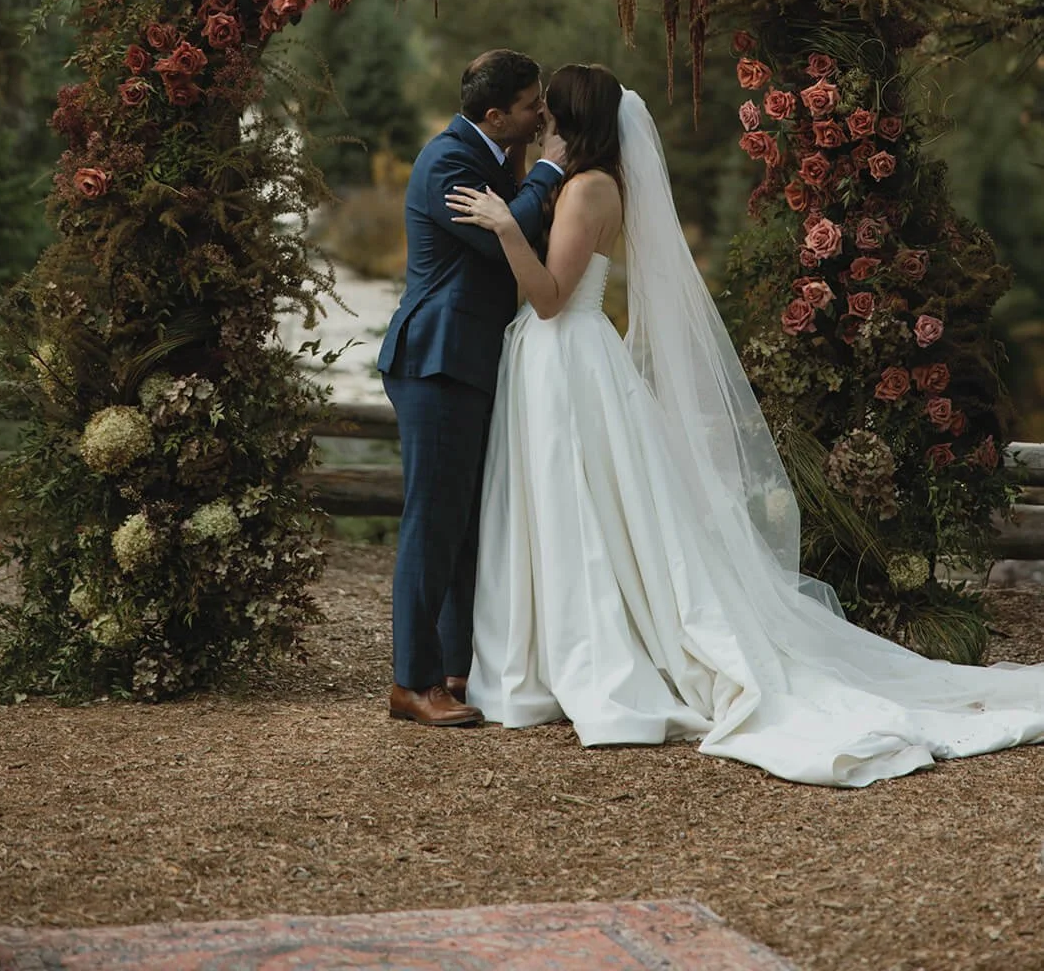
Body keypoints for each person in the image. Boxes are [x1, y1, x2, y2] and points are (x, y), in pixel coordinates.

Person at [445, 64, 1044, 786]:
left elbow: (546, 297)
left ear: (570, 118)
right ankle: (547, 649)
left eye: (549, 109)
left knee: (578, 504)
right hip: (559, 359)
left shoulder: (587, 189)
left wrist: (508, 228)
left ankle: (586, 653)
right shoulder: (586, 182)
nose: (539, 117)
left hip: (565, 354)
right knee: (571, 505)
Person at [378, 49, 565, 727]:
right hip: (436, 360)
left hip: (468, 361)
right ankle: (412, 682)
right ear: (495, 115)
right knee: (432, 523)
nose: (540, 112)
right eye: (529, 104)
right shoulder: (450, 162)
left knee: (462, 525)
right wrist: (549, 169)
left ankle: (455, 668)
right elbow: (497, 244)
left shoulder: (489, 158)